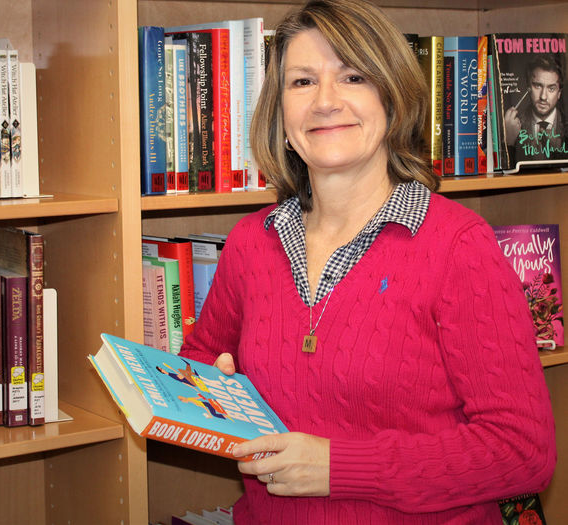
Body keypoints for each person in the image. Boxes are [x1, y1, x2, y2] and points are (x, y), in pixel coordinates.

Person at [178, 0, 557, 523]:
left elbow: (522, 453)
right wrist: (212, 390)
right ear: (279, 111)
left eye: (353, 77)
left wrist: (339, 466)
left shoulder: (457, 245)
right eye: (302, 82)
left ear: (392, 97)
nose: (325, 102)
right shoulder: (250, 242)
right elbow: (197, 362)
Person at [504, 55, 568, 163]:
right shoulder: (512, 126)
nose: (543, 96)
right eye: (537, 86)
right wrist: (508, 142)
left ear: (559, 94)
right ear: (528, 87)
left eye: (551, 89)